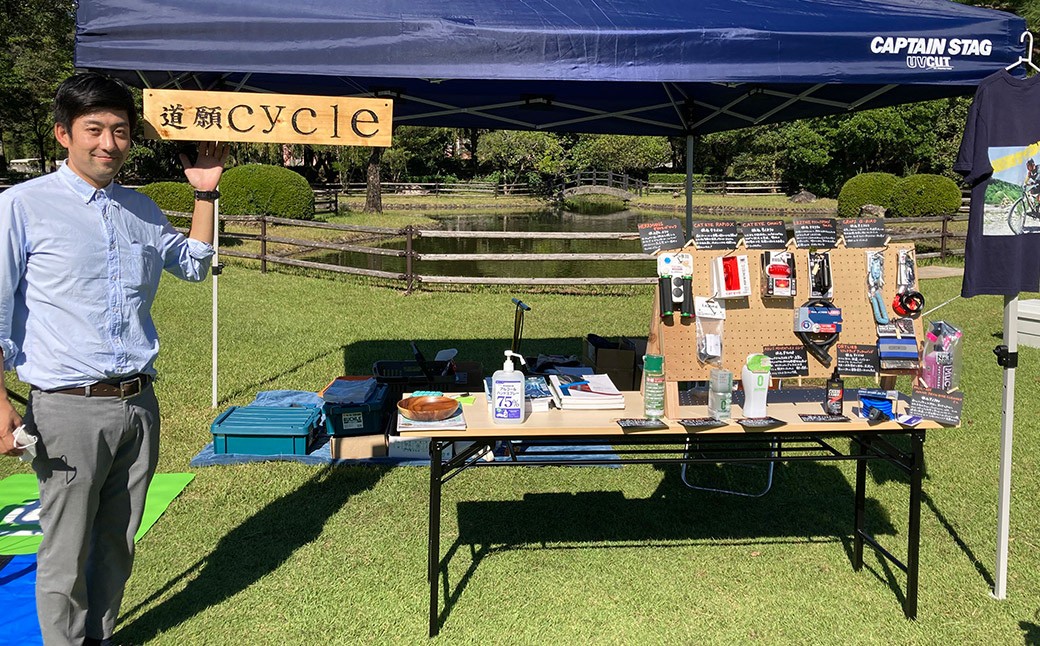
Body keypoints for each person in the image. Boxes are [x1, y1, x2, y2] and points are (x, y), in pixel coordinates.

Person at [0, 72, 229, 646]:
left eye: (120, 131)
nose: (107, 143)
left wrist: (205, 191)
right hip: (66, 408)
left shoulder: (142, 208)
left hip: (138, 404)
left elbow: (195, 264)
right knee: (65, 546)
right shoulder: (21, 206)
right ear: (63, 134)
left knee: (116, 542)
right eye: (93, 129)